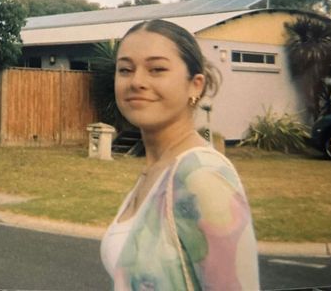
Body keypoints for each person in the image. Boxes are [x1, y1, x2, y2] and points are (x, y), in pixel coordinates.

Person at [100, 19, 259, 291]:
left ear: (195, 85)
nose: (137, 81)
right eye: (125, 69)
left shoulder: (201, 175)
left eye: (157, 69)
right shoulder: (158, 169)